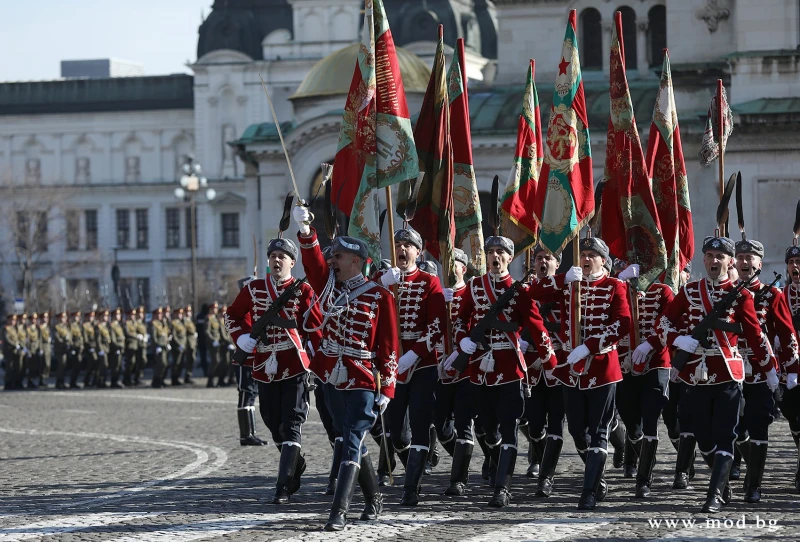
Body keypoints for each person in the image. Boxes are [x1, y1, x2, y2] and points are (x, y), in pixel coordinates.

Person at [650, 235, 774, 512]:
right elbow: (663, 322)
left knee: (725, 434)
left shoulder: (741, 295)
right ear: (704, 260)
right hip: (694, 374)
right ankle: (723, 481)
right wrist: (677, 340)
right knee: (703, 438)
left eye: (720, 257)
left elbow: (754, 335)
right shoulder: (690, 291)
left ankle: (715, 494)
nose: (714, 260)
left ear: (729, 261)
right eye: (709, 256)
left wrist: (770, 370)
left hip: (728, 373)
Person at [295, 207, 399, 532]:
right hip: (331, 377)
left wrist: (388, 388)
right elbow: (313, 263)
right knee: (350, 438)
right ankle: (374, 499)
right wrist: (305, 231)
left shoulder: (379, 296)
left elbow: (389, 345)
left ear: (355, 260)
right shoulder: (329, 288)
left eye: (337, 256)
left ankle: (338, 511)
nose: (333, 262)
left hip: (363, 377)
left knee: (351, 440)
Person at [446, 235, 557, 508]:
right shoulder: (475, 286)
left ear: (510, 258)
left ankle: (502, 488)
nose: (495, 257)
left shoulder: (519, 291)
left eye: (501, 252)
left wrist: (551, 364)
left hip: (509, 369)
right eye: (491, 252)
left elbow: (537, 325)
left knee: (508, 429)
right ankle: (495, 467)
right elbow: (461, 320)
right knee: (485, 428)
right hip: (479, 369)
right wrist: (463, 340)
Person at [529, 236, 631, 510]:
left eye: (591, 255)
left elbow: (623, 323)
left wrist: (589, 346)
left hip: (601, 367)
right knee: (575, 429)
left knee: (599, 430)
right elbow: (532, 293)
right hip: (570, 370)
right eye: (582, 253)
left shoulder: (614, 286)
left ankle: (588, 491)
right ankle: (597, 479)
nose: (585, 259)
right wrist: (561, 279)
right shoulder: (568, 285)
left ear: (602, 260)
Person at [226, 237, 324, 500]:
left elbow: (315, 328)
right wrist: (242, 338)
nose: (277, 260)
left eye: (283, 256)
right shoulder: (254, 288)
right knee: (271, 421)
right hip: (264, 366)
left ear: (293, 261)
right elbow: (232, 315)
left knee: (292, 423)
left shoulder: (303, 290)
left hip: (294, 364)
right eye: (273, 256)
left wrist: (318, 363)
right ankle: (296, 464)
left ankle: (282, 486)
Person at [377, 227, 445, 506]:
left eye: (408, 245)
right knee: (396, 430)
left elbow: (438, 324)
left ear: (419, 252)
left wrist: (415, 353)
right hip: (392, 366)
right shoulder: (383, 281)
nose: (402, 250)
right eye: (398, 245)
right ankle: (409, 465)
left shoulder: (430, 282)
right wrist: (381, 284)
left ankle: (412, 487)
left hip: (423, 365)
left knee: (419, 423)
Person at [732, 239, 798, 502]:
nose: (745, 262)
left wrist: (792, 368)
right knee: (737, 428)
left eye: (750, 258)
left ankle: (754, 485)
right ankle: (749, 468)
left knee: (759, 425)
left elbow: (786, 331)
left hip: (762, 370)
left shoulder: (773, 295)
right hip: (730, 368)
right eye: (740, 257)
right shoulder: (727, 292)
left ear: (759, 263)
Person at [618, 260, 675, 498]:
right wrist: (619, 280)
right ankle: (635, 452)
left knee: (651, 419)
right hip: (624, 364)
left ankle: (644, 480)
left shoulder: (663, 290)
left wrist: (650, 343)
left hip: (656, 362)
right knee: (633, 425)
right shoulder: (618, 286)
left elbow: (670, 319)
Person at [522, 246, 567, 497]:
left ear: (557, 264)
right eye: (538, 258)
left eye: (548, 258)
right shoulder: (527, 289)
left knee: (556, 425)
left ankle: (546, 477)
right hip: (533, 367)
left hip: (559, 365)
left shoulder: (567, 288)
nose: (542, 262)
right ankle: (537, 457)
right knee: (535, 424)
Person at [781, 242, 800, 492]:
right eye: (792, 263)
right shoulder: (780, 293)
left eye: (799, 262)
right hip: (789, 365)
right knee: (792, 415)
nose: (795, 267)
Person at [150, 307, 170, 388]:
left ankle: (160, 380)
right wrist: (157, 346)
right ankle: (156, 380)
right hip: (159, 347)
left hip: (164, 346)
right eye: (158, 314)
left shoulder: (163, 323)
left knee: (165, 364)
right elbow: (154, 337)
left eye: (161, 314)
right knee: (161, 364)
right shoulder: (154, 324)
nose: (160, 315)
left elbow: (165, 335)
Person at [205, 302, 224, 387]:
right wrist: (213, 340)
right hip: (213, 344)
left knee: (219, 361)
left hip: (218, 343)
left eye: (216, 308)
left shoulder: (216, 318)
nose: (215, 310)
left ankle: (215, 380)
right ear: (210, 309)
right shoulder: (208, 318)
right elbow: (207, 331)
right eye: (213, 308)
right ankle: (210, 380)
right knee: (215, 361)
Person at [53, 311, 71, 390]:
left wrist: (69, 343)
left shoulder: (66, 327)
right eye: (62, 317)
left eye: (65, 317)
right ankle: (59, 382)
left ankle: (62, 381)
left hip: (66, 349)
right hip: (60, 349)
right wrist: (64, 343)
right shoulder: (56, 327)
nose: (64, 319)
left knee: (64, 366)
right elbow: (57, 338)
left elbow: (69, 336)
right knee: (61, 366)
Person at [3, 314, 22, 390]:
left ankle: (13, 382)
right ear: (8, 320)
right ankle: (8, 383)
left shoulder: (15, 328)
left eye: (14, 320)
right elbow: (7, 339)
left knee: (15, 367)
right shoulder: (6, 329)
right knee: (9, 367)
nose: (13, 321)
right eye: (11, 320)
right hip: (9, 350)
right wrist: (15, 344)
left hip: (15, 351)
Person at [108, 308, 126, 388]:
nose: (119, 316)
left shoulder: (119, 325)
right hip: (116, 349)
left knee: (119, 366)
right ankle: (114, 381)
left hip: (121, 348)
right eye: (117, 315)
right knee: (115, 366)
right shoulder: (112, 326)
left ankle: (117, 380)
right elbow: (113, 339)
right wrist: (117, 347)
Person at [170, 307, 187, 386]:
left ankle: (177, 377)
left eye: (181, 313)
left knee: (180, 363)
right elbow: (174, 336)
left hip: (182, 345)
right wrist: (179, 344)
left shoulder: (181, 322)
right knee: (176, 362)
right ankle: (174, 378)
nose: (180, 315)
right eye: (178, 314)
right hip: (177, 346)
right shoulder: (174, 323)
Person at [95, 310, 112, 388]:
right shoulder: (98, 326)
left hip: (107, 348)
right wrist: (100, 349)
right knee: (104, 365)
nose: (106, 317)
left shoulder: (106, 326)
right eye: (104, 316)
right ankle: (100, 381)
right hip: (102, 349)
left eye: (107, 316)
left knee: (105, 365)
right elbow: (98, 340)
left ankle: (102, 381)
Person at [68, 310, 84, 389]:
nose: (78, 318)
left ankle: (74, 382)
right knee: (75, 367)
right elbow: (70, 338)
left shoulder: (79, 326)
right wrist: (73, 347)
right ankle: (72, 382)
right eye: (76, 316)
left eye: (78, 316)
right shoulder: (71, 326)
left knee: (78, 366)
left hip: (80, 349)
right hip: (75, 349)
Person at [25, 313, 41, 389]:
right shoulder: (28, 329)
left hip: (36, 348)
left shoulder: (37, 328)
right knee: (30, 367)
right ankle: (29, 381)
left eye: (35, 319)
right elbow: (27, 340)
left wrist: (40, 348)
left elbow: (39, 339)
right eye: (33, 319)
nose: (34, 320)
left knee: (35, 366)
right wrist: (28, 350)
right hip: (31, 349)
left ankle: (33, 381)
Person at [183, 305, 198, 384]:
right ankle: (187, 376)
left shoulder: (190, 320)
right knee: (189, 359)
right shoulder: (184, 321)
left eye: (190, 311)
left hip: (193, 343)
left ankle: (189, 375)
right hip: (188, 343)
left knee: (192, 359)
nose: (189, 313)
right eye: (187, 312)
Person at [38, 312, 52, 388]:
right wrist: (40, 349)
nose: (45, 319)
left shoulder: (47, 327)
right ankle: (42, 379)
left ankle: (45, 378)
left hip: (48, 347)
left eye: (47, 318)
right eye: (44, 318)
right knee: (44, 364)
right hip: (43, 347)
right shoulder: (40, 327)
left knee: (48, 365)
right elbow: (39, 339)